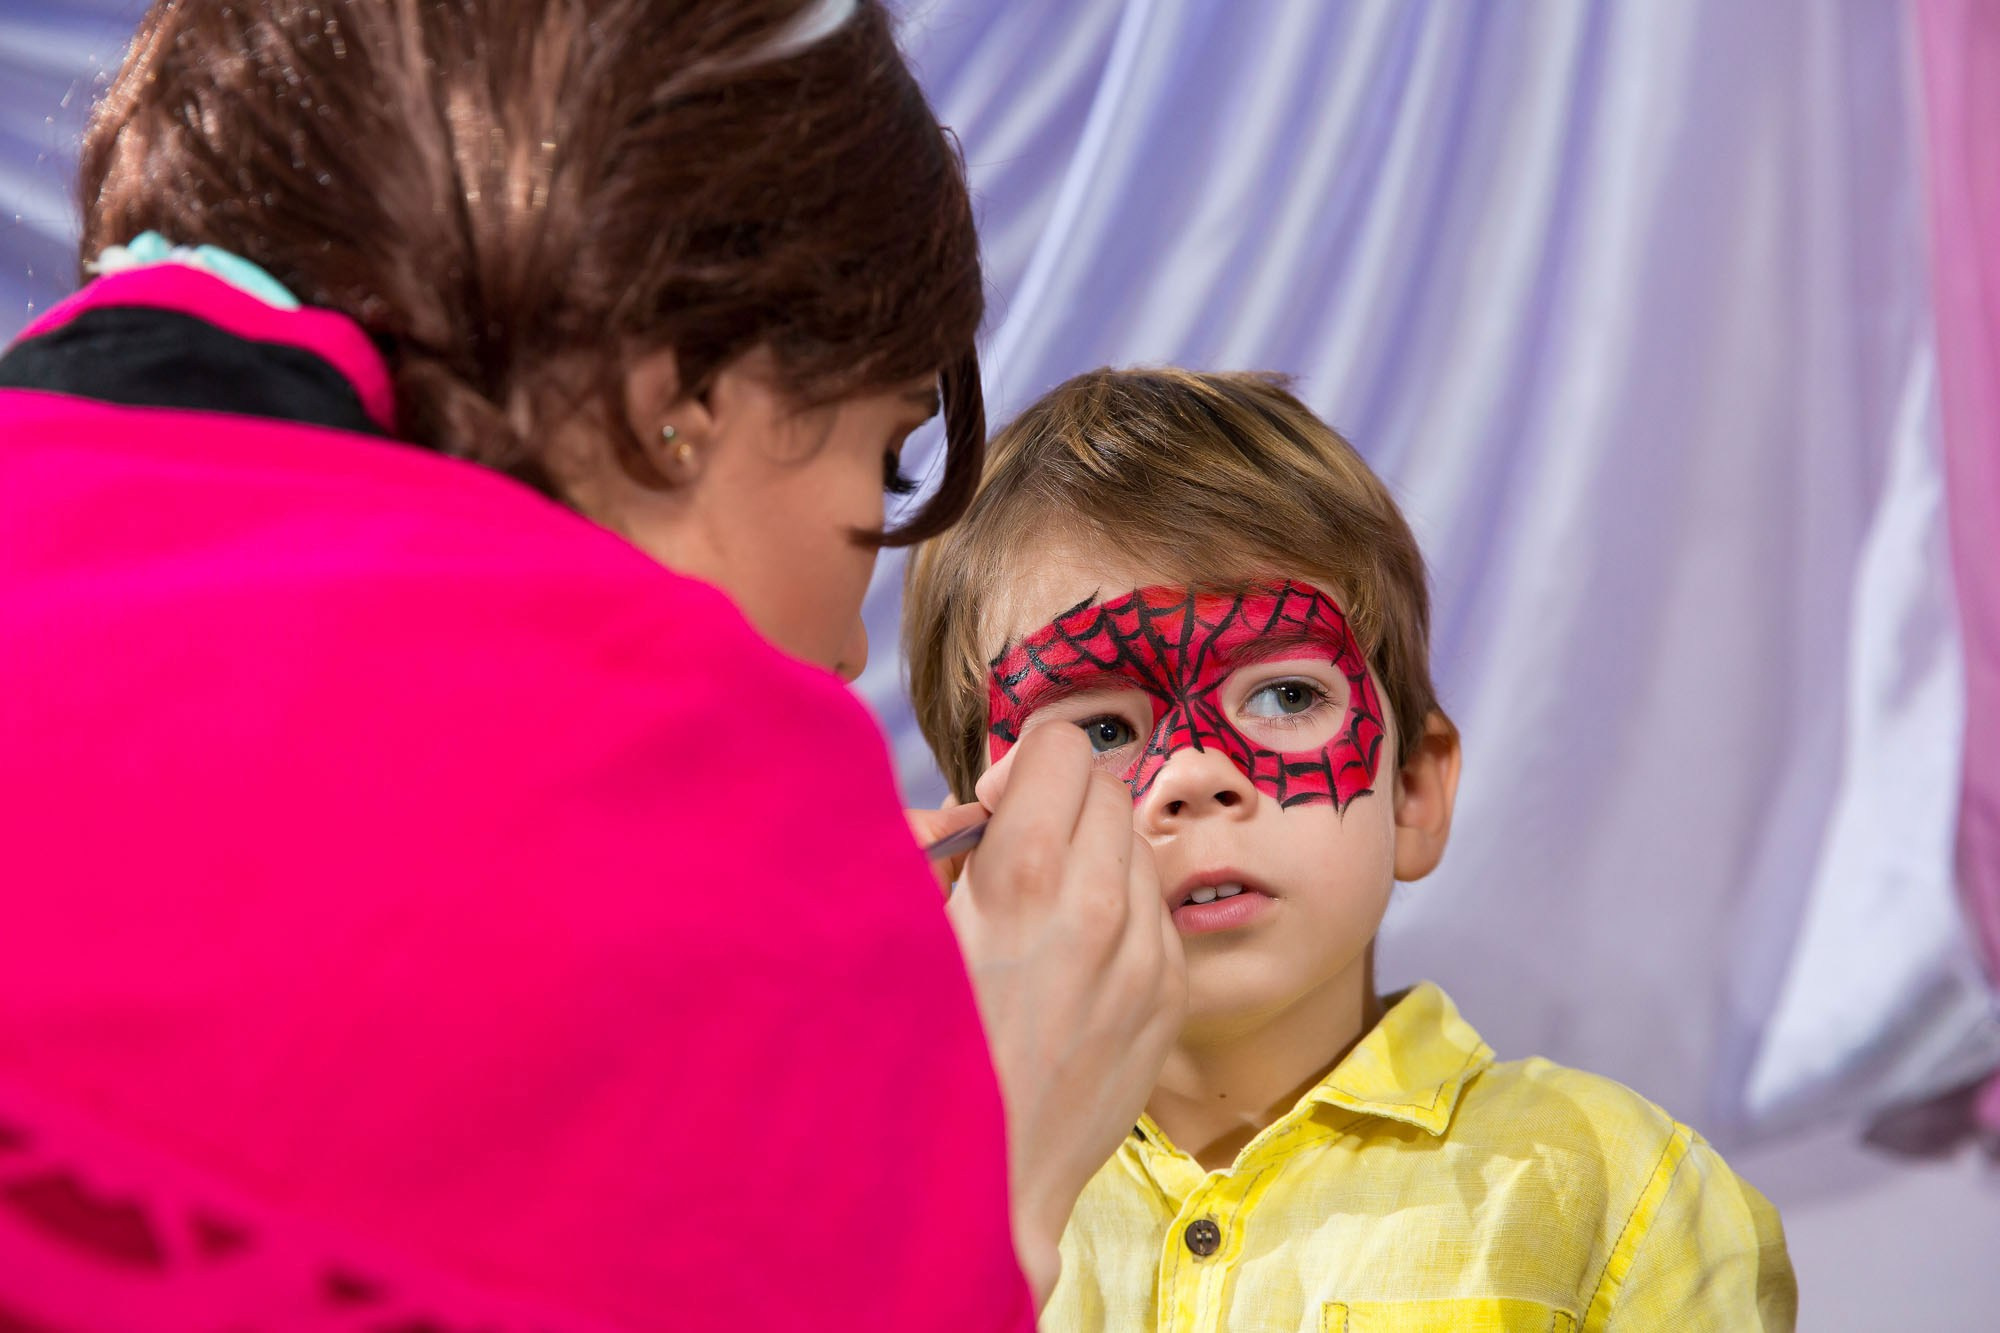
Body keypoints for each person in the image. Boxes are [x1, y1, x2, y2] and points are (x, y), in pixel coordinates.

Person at [0, 2, 1181, 1328]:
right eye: (884, 462)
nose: (855, 647)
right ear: (679, 397)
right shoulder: (727, 810)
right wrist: (989, 1156)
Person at [903, 367, 1799, 1331]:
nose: (1195, 774)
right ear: (982, 839)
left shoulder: (1624, 1196)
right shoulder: (887, 1194)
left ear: (1412, 788)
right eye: (1103, 731)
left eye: (1286, 695)